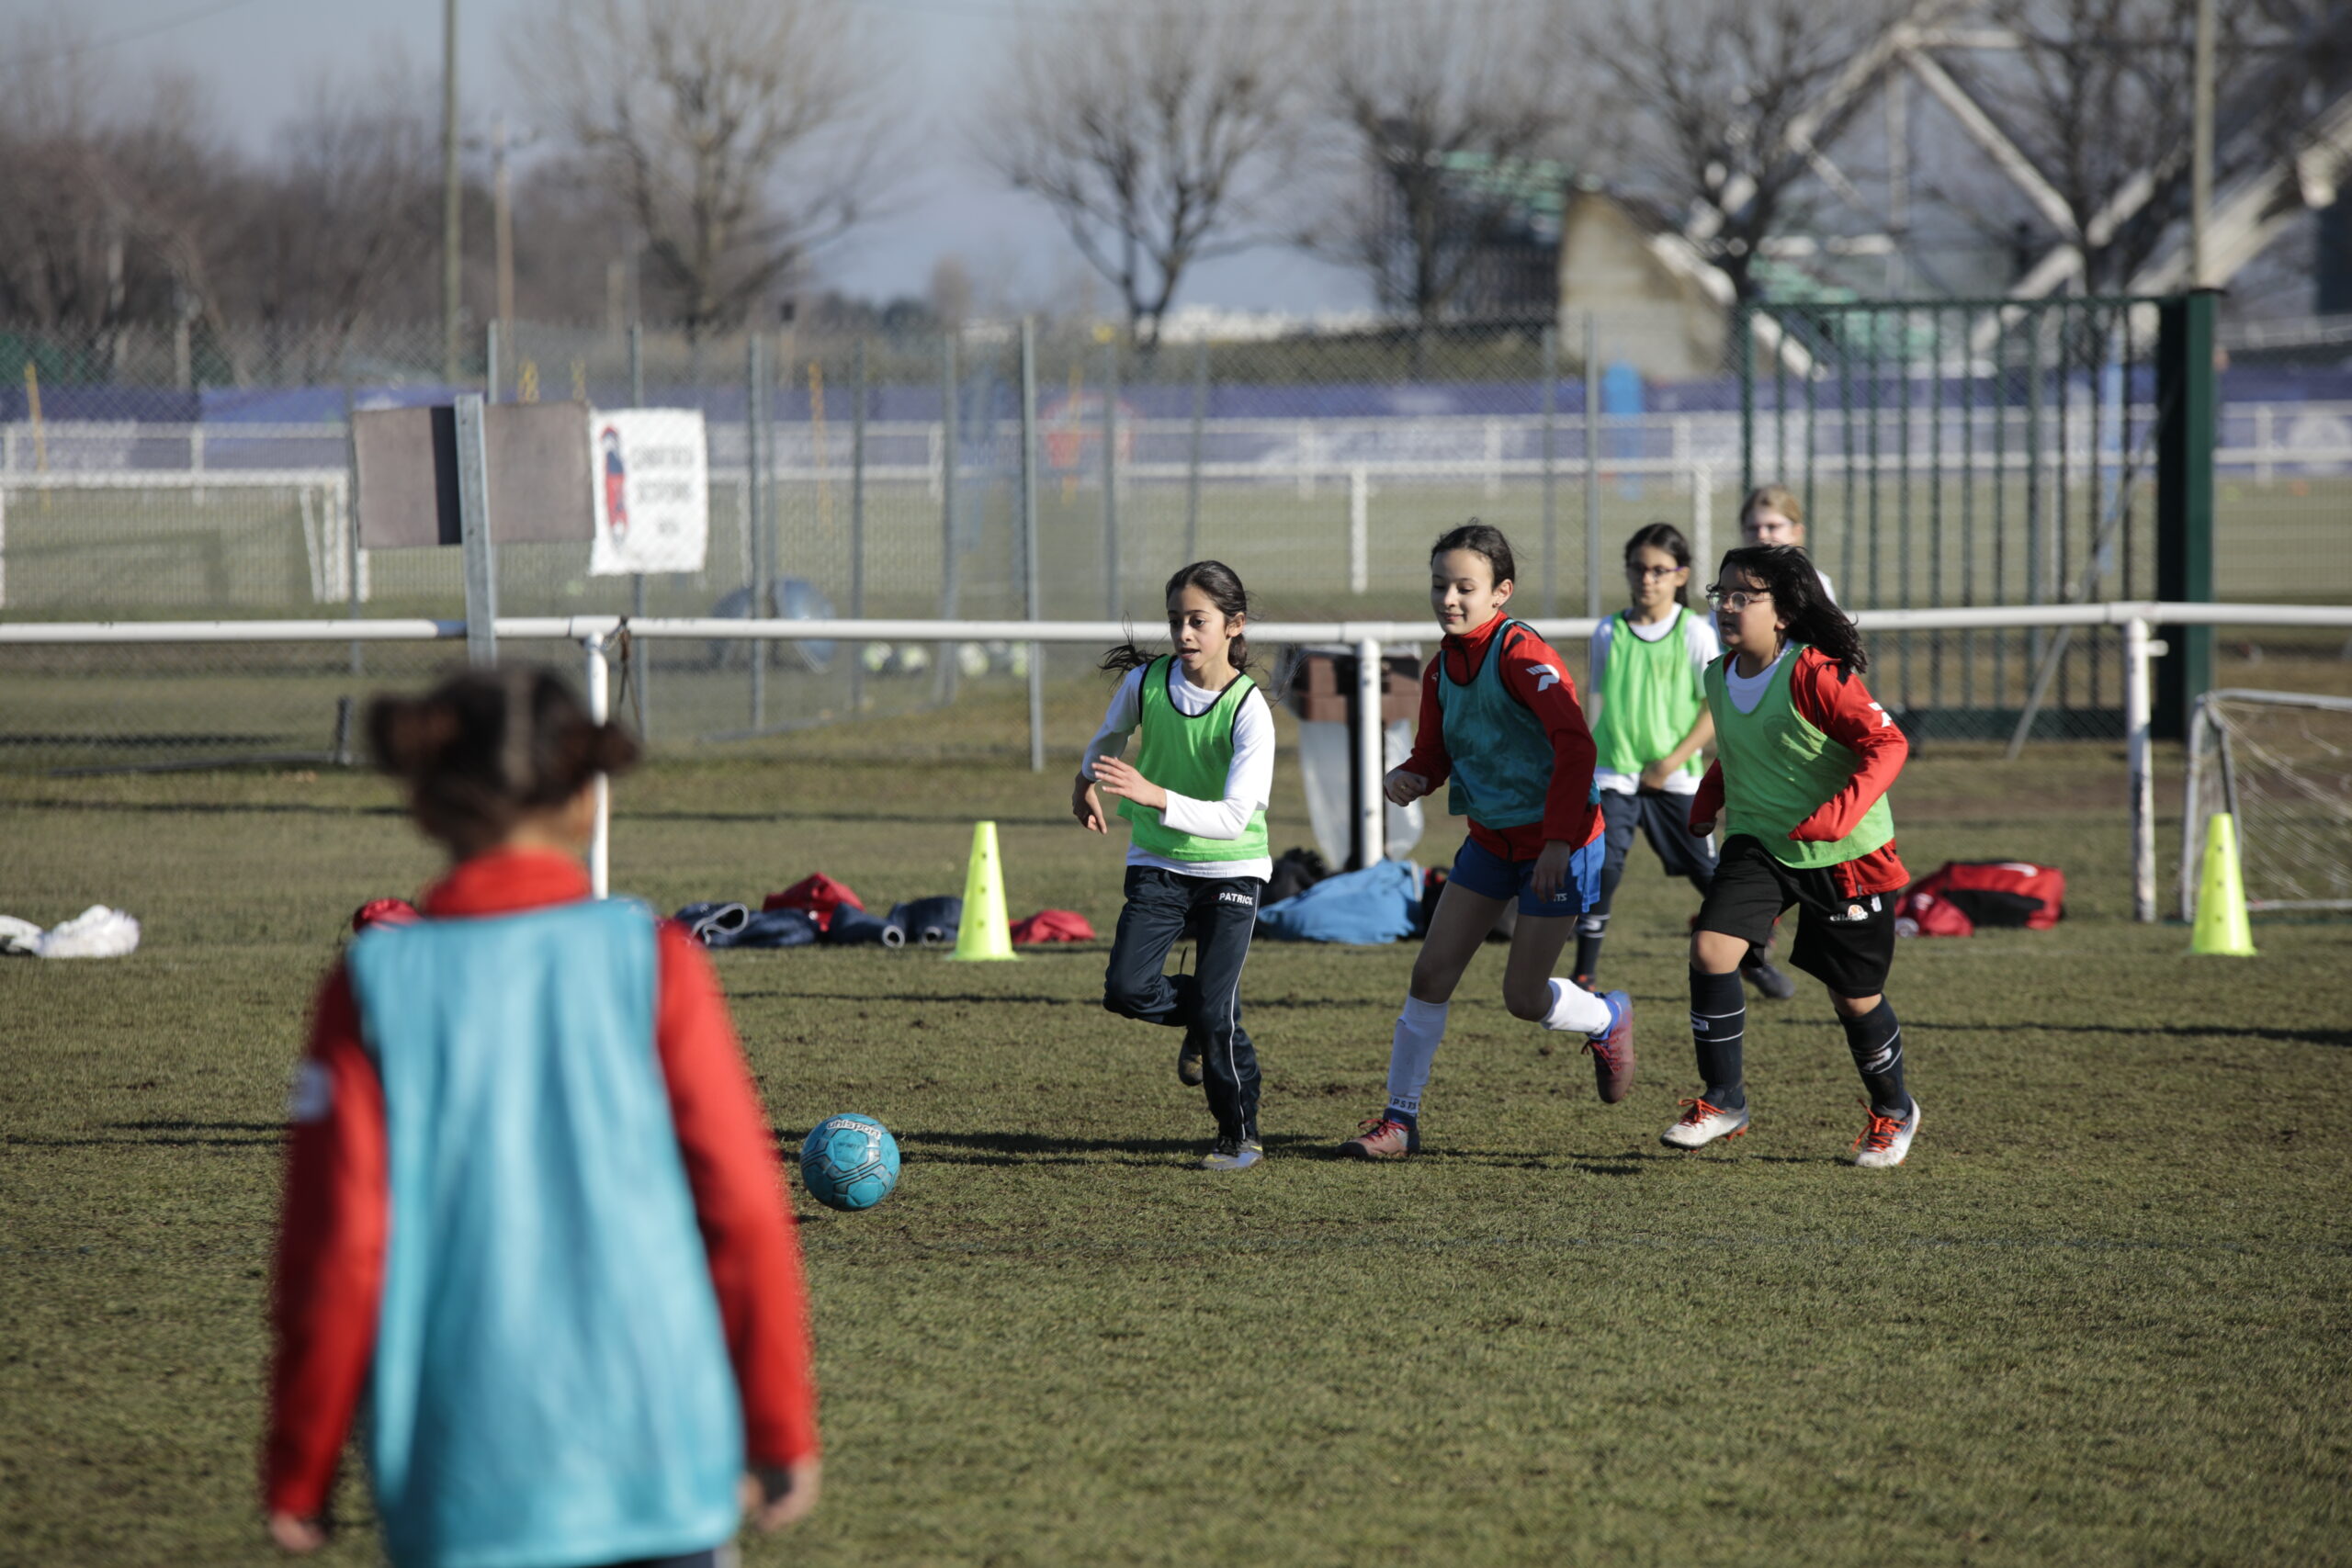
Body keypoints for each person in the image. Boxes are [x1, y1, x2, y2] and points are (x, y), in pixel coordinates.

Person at [264, 666, 820, 1566]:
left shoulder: (372, 986)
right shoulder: (656, 966)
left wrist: (300, 1462)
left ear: (425, 808)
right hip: (661, 1458)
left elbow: (340, 1248)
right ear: (582, 805)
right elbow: (745, 1210)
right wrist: (777, 1425)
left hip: (466, 1475)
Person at [1340, 522, 1634, 1161]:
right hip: (1492, 844)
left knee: (1523, 998)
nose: (1449, 597)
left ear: (1500, 591)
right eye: (1440, 584)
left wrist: (1557, 841)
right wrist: (1414, 775)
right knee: (1431, 971)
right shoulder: (1441, 668)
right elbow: (1435, 751)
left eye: (1464, 586)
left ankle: (1608, 1017)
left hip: (1562, 845)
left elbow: (1576, 746)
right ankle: (1399, 1120)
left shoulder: (1524, 656)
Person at [1663, 545, 1921, 1168]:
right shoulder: (1717, 675)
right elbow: (1746, 746)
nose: (1727, 606)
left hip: (1846, 854)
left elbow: (1887, 743)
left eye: (1743, 596)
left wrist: (1839, 814)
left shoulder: (1814, 672)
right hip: (1761, 842)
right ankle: (1725, 1098)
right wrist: (1709, 794)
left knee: (1852, 995)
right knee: (1710, 948)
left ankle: (1894, 1110)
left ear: (1781, 613)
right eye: (1720, 594)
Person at [1075, 560, 1277, 1172]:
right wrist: (1084, 779)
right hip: (1159, 865)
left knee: (1217, 1012)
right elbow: (1107, 739)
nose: (1184, 633)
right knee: (1126, 990)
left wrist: (1151, 794)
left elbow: (1235, 818)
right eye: (1175, 621)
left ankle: (1238, 1136)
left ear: (1233, 625)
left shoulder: (1249, 709)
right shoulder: (1146, 682)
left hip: (1233, 871)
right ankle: (1207, 1013)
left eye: (1198, 621)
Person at [1575, 523, 1795, 999]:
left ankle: (1753, 961)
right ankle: (1583, 975)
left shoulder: (1694, 631)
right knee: (1603, 869)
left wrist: (1670, 762)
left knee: (1713, 877)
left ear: (1682, 575)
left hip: (1675, 779)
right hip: (1615, 773)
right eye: (1638, 568)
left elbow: (1711, 707)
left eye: (1659, 569)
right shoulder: (1607, 631)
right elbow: (1600, 705)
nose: (1647, 578)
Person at [1739, 484, 1837, 604]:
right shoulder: (1733, 584)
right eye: (1753, 528)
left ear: (1796, 531)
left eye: (1772, 526)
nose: (1762, 535)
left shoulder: (1814, 583)